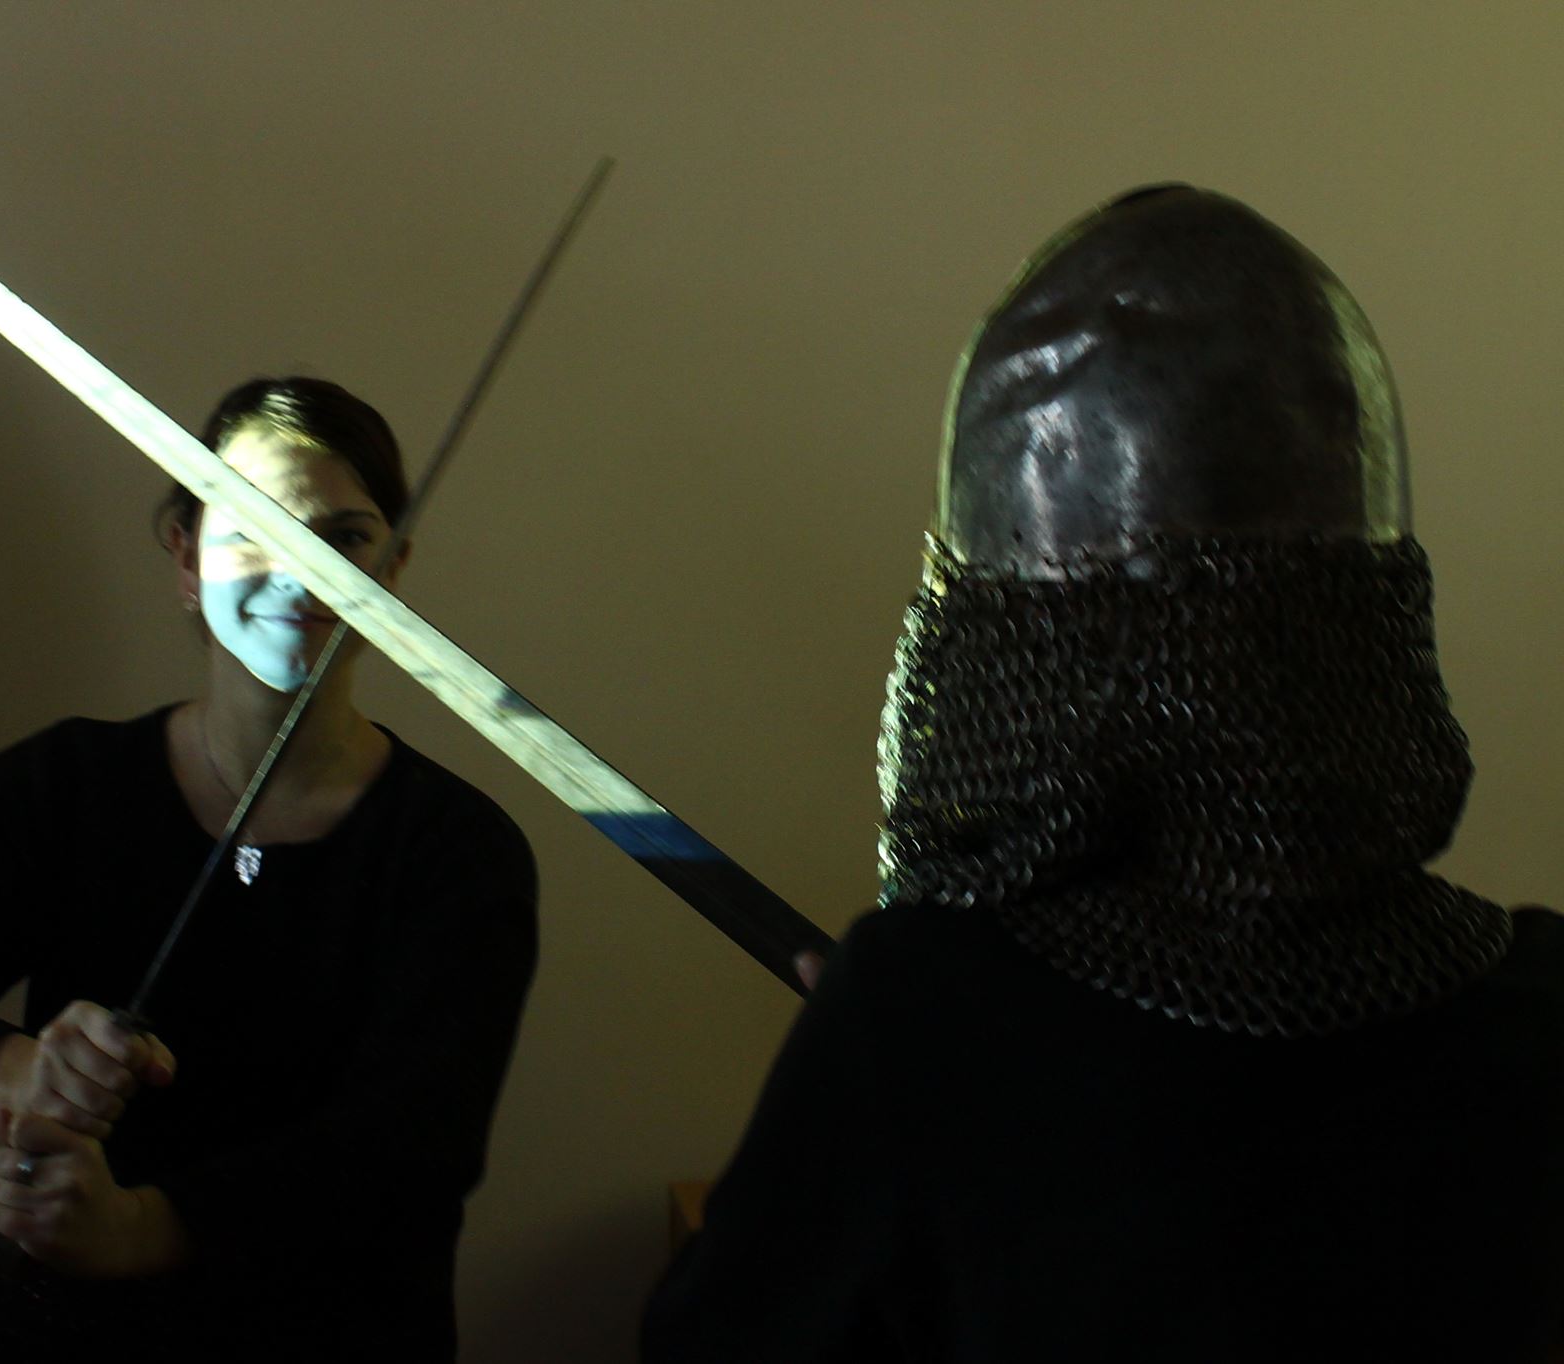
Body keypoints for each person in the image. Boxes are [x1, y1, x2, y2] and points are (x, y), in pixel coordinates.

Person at [641, 187, 1564, 1361]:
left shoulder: (919, 1014)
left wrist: (896, 1070)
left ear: (1008, 640)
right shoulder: (1542, 1008)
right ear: (1365, 619)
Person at [0, 377, 539, 1363]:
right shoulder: (68, 786)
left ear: (392, 569)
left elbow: (407, 1154)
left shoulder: (459, 850)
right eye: (253, 531)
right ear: (186, 556)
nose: (299, 574)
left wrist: (142, 1228)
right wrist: (11, 1071)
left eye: (343, 538)